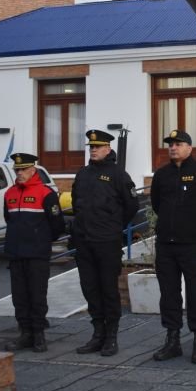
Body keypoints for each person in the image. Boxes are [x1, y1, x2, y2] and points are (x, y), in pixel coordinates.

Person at [150, 129, 196, 364]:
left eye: (178, 144)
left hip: (191, 244)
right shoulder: (161, 175)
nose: (173, 147)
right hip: (166, 245)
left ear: (190, 148)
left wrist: (194, 225)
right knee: (169, 293)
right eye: (170, 144)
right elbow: (157, 204)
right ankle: (172, 341)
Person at [72, 130, 139, 357]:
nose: (93, 149)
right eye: (91, 146)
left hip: (107, 241)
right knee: (90, 288)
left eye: (98, 146)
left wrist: (113, 227)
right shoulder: (83, 174)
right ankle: (97, 333)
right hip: (85, 241)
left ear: (108, 149)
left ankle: (111, 336)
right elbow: (76, 204)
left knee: (108, 289)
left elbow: (131, 206)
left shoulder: (118, 174)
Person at [2, 153, 66, 353]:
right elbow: (8, 219)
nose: (19, 173)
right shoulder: (9, 193)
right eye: (16, 170)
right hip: (16, 253)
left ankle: (38, 334)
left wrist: (42, 241)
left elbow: (57, 224)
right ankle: (25, 333)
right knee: (19, 297)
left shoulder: (46, 193)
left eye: (23, 170)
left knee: (37, 295)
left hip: (37, 254)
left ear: (33, 170)